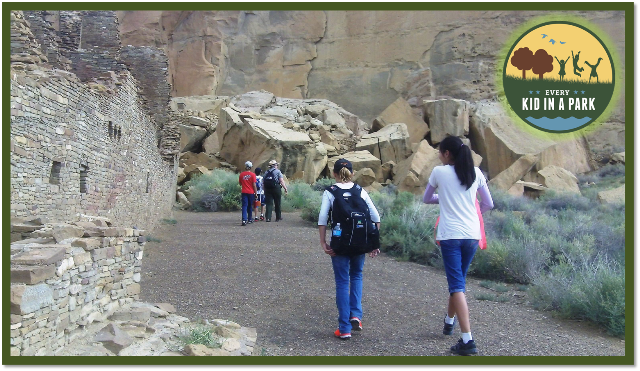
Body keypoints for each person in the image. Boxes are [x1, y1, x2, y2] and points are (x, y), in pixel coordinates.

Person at [422, 136, 494, 355]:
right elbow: (489, 204)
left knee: (456, 286)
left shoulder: (439, 173)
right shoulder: (476, 173)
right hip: (472, 234)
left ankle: (467, 340)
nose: (438, 155)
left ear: (446, 154)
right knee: (458, 282)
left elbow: (427, 198)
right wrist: (471, 213)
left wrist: (443, 198)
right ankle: (449, 320)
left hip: (450, 235)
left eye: (439, 152)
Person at [318, 159, 381, 340]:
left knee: (342, 282)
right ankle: (356, 316)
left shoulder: (330, 192)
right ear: (352, 173)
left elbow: (323, 219)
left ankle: (344, 328)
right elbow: (376, 218)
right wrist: (373, 243)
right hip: (360, 243)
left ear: (334, 174)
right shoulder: (360, 191)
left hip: (339, 244)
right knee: (356, 276)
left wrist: (323, 242)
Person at [238, 161, 257, 226]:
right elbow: (254, 185)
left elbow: (240, 183)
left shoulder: (241, 174)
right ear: (251, 167)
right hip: (251, 192)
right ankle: (249, 219)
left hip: (244, 191)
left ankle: (244, 220)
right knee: (250, 205)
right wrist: (256, 193)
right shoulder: (253, 175)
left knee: (244, 206)